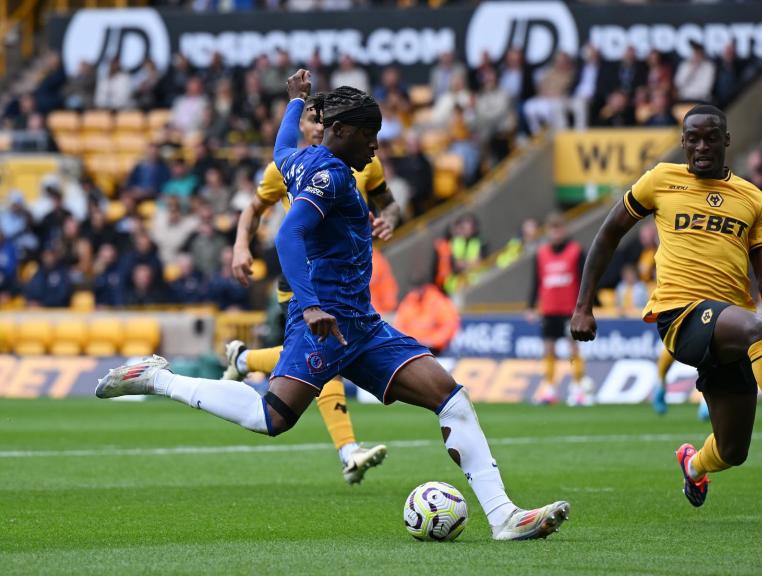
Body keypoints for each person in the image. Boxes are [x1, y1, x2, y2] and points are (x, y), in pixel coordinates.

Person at [96, 73, 569, 540]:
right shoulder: (333, 178)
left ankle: (504, 516)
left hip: (361, 324)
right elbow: (287, 234)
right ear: (341, 133)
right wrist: (309, 307)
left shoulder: (300, 161)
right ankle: (157, 378)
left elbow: (282, 147)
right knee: (272, 418)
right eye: (369, 137)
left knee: (450, 396)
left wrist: (294, 102)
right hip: (325, 323)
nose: (376, 148)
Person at [570, 104, 762, 508]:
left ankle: (694, 465)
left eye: (711, 137)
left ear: (726, 140)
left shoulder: (752, 199)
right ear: (682, 142)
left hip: (727, 328)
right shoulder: (661, 180)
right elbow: (609, 234)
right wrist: (583, 305)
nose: (701, 146)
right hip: (681, 316)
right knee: (757, 328)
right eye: (692, 138)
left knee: (733, 451)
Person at [220, 90, 401, 485]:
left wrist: (388, 218)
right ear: (304, 126)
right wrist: (239, 246)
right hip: (301, 277)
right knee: (325, 359)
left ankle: (245, 361)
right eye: (311, 121)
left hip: (346, 279)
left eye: (323, 120)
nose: (318, 127)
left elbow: (389, 202)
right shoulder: (288, 166)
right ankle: (348, 450)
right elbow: (253, 209)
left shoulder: (363, 163)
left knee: (314, 357)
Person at [527, 213, 592, 406]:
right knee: (548, 349)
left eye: (559, 228)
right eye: (552, 229)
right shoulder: (541, 254)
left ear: (565, 229)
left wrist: (586, 306)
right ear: (548, 231)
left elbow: (584, 279)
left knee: (573, 348)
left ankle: (578, 387)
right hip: (548, 309)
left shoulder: (576, 251)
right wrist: (530, 306)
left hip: (569, 310)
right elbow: (536, 281)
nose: (556, 233)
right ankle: (549, 388)